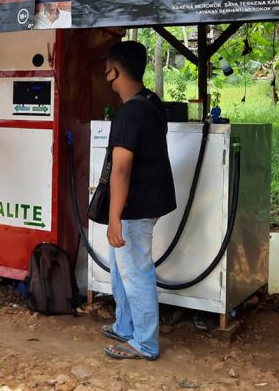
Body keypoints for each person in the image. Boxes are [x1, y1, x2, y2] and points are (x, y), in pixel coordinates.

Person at [100, 41, 176, 361]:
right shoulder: (150, 101)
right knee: (122, 267)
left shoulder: (130, 112)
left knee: (135, 270)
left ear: (115, 71)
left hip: (135, 205)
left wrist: (115, 217)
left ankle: (144, 342)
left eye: (107, 70)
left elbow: (121, 169)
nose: (106, 76)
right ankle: (125, 325)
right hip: (149, 198)